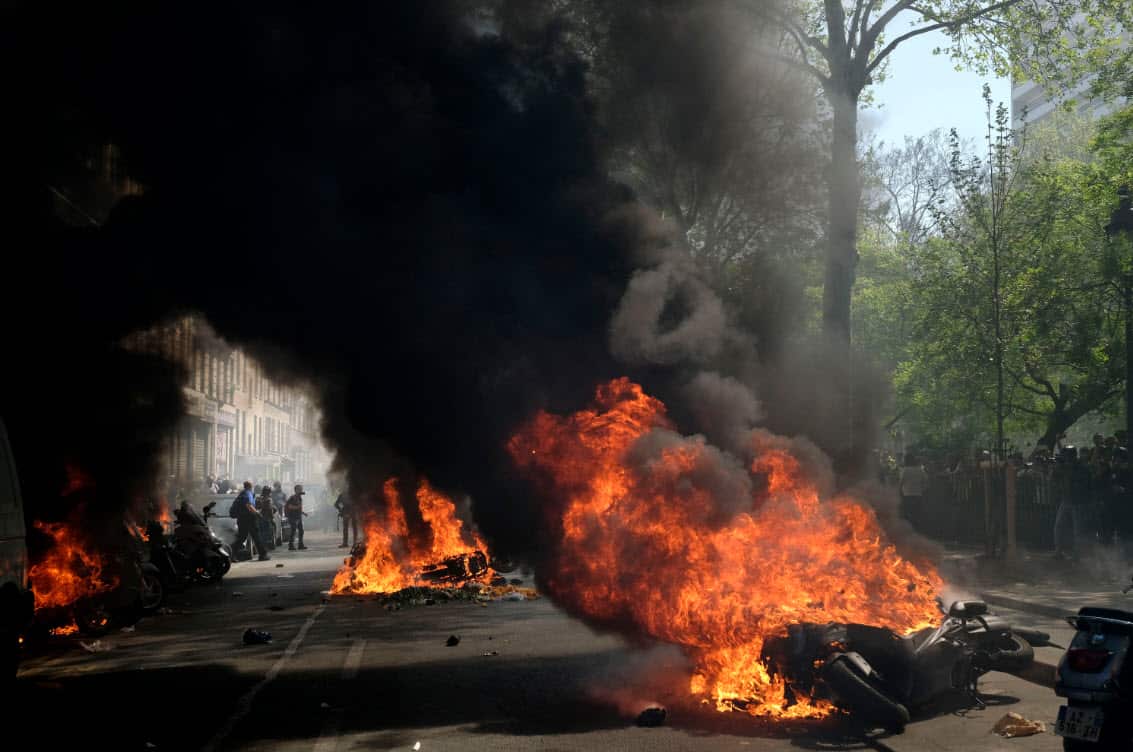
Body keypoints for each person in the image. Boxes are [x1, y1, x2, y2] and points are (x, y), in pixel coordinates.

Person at [232, 481, 270, 561]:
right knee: (256, 536)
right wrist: (256, 513)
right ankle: (263, 554)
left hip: (242, 519)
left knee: (242, 537)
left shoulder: (242, 493)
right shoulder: (248, 493)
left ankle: (232, 553)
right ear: (250, 486)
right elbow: (248, 505)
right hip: (249, 519)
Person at [898, 453, 928, 531]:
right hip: (918, 495)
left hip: (907, 495)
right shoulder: (920, 470)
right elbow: (926, 482)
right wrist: (922, 490)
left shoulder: (905, 470)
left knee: (908, 515)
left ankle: (909, 531)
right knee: (917, 514)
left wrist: (899, 492)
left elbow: (901, 483)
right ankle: (917, 531)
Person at [285, 484, 307, 550]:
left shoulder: (299, 497)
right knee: (293, 531)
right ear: (296, 490)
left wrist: (303, 513)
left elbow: (299, 507)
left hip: (298, 517)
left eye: (301, 489)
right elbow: (289, 506)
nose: (301, 490)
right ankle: (291, 545)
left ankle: (300, 545)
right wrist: (297, 507)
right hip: (293, 517)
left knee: (301, 531)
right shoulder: (293, 497)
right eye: (299, 489)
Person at [257, 485, 277, 551]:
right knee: (266, 534)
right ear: (268, 492)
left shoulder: (258, 499)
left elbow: (257, 508)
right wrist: (272, 518)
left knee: (261, 534)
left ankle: (262, 548)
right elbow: (270, 509)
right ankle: (264, 548)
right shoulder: (268, 499)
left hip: (259, 518)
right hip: (266, 519)